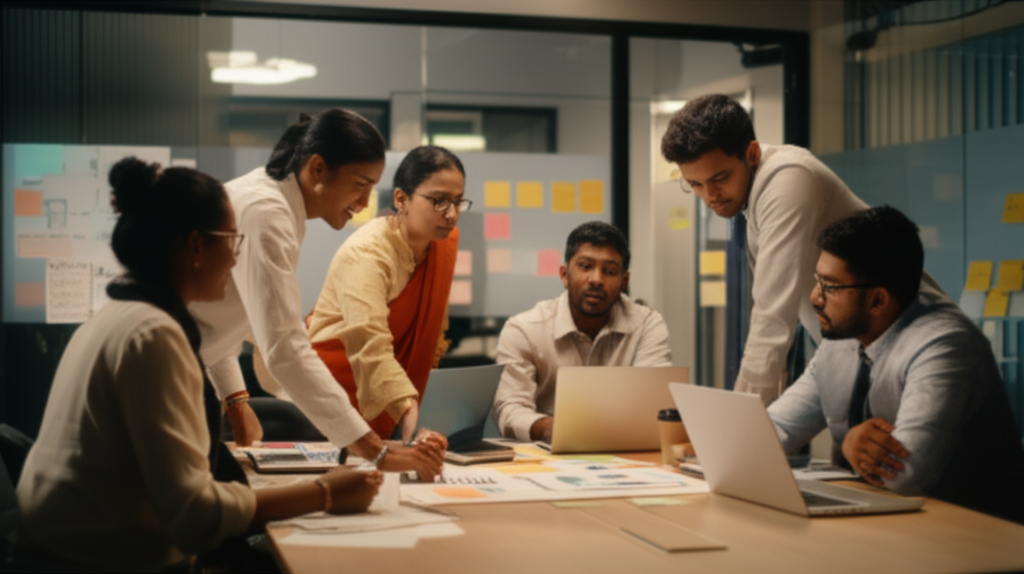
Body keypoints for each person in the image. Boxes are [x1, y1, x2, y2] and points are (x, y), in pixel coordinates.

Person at [15, 158, 383, 571]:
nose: (234, 258)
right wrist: (324, 492)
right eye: (231, 240)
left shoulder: (119, 317)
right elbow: (196, 517)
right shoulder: (153, 337)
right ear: (195, 246)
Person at [189, 109, 446, 479]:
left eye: (373, 188)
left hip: (186, 369)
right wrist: (374, 450)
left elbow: (222, 310)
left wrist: (234, 400)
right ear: (318, 169)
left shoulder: (274, 202)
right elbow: (287, 349)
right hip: (168, 372)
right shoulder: (269, 213)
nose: (364, 203)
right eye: (360, 184)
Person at [661, 94, 944, 405]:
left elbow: (772, 316)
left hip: (917, 337)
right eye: (695, 184)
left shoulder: (788, 180)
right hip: (862, 350)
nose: (709, 196)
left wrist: (742, 422)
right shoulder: (750, 197)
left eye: (719, 178)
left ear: (751, 153)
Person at [767, 206, 1024, 524]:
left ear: (878, 300)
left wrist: (849, 445)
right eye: (818, 280)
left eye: (831, 287)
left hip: (971, 536)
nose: (815, 297)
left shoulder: (945, 344)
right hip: (883, 522)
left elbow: (905, 475)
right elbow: (777, 428)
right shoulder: (843, 337)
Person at [307, 145, 467, 442]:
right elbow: (369, 343)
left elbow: (432, 332)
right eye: (439, 201)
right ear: (401, 199)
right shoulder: (367, 253)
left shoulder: (443, 243)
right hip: (333, 394)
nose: (452, 214)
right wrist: (407, 409)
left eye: (458, 202)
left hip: (398, 399)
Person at [493, 221, 672, 442]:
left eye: (609, 271)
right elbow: (510, 409)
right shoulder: (524, 330)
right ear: (564, 274)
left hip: (623, 453)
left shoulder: (646, 325)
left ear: (624, 281)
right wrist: (553, 429)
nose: (596, 279)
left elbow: (652, 404)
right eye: (586, 266)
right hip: (549, 456)